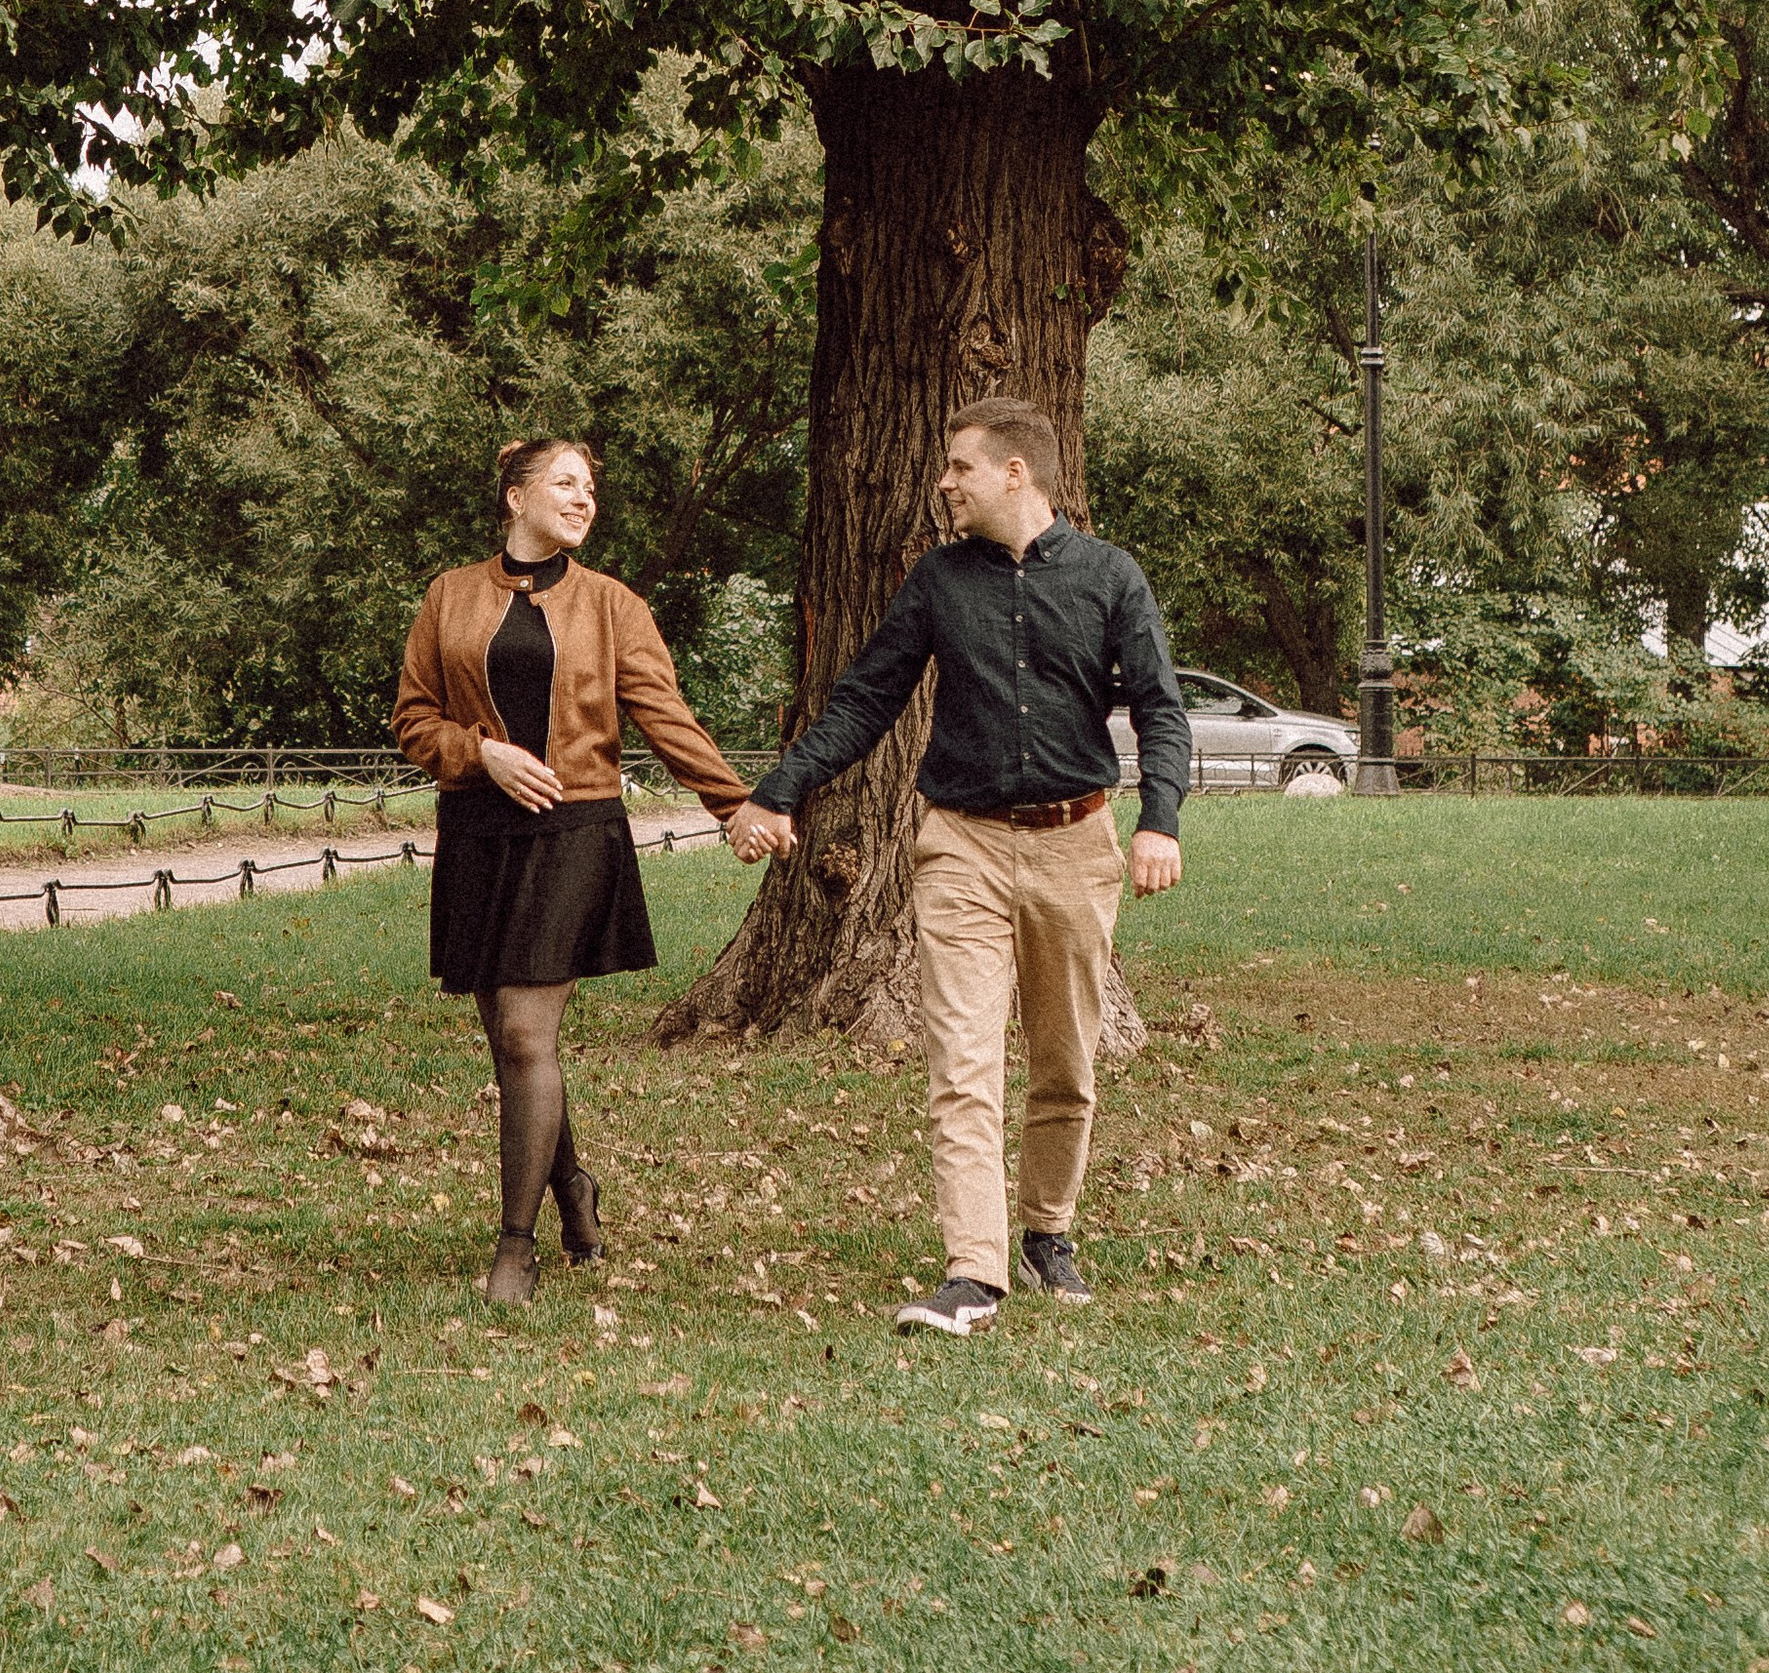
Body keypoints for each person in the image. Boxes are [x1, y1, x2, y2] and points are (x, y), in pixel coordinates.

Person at [727, 397, 1189, 1333]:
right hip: (960, 846)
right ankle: (973, 1273)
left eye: (960, 466)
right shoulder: (937, 581)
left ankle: (1047, 1233)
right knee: (962, 1062)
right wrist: (779, 789)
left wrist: (1160, 821)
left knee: (1065, 1062)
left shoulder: (1109, 578)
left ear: (1016, 473)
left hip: (1075, 844)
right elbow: (866, 701)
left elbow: (1161, 709)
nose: (945, 481)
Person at [392, 435, 756, 1304]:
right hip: (478, 832)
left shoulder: (612, 605)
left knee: (525, 1034)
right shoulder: (450, 596)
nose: (584, 498)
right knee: (514, 1045)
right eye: (565, 483)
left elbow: (666, 717)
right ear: (515, 498)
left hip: (574, 832)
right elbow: (412, 720)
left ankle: (514, 1250)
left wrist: (733, 804)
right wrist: (482, 753)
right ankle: (573, 1189)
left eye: (590, 487)